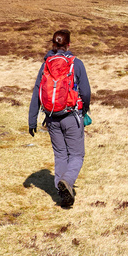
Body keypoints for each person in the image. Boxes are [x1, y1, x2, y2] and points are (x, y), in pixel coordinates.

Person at [28, 29, 91, 208]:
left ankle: (61, 193)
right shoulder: (76, 64)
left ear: (53, 45)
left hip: (51, 117)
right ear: (69, 44)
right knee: (77, 155)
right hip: (71, 115)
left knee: (60, 154)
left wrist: (32, 119)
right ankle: (67, 182)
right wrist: (84, 109)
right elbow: (85, 92)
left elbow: (36, 93)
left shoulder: (46, 64)